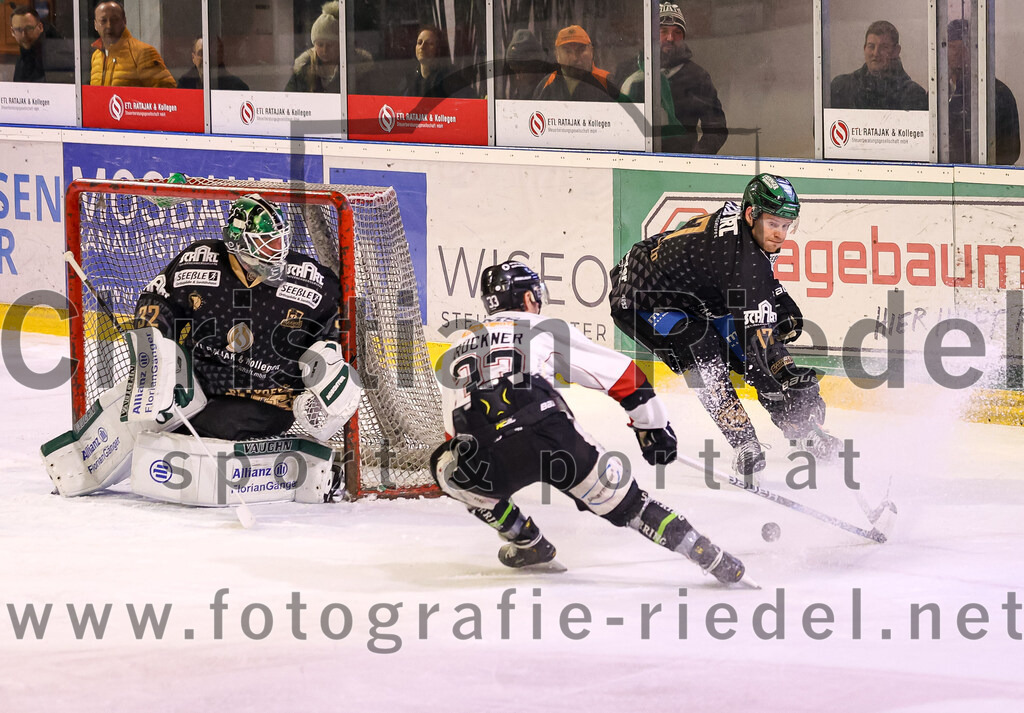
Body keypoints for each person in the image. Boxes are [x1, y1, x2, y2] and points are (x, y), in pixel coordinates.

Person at [431, 261, 746, 585]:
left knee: (446, 468)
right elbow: (625, 376)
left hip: (485, 458)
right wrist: (652, 428)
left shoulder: (454, 349)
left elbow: (452, 434)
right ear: (527, 299)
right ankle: (706, 552)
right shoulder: (540, 326)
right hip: (551, 439)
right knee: (632, 508)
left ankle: (527, 542)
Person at [42, 191, 361, 504]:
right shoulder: (199, 261)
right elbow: (157, 300)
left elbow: (331, 336)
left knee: (193, 434)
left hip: (265, 400)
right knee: (138, 409)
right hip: (196, 383)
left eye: (279, 241)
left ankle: (288, 467)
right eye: (265, 243)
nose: (276, 252)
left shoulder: (312, 282)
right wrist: (153, 350)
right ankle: (75, 470)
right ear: (237, 243)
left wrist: (329, 375)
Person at [609, 174, 840, 479]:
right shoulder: (739, 257)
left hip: (697, 293)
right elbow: (759, 354)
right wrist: (789, 379)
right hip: (643, 297)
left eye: (786, 225)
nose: (780, 234)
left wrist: (777, 295)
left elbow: (754, 284)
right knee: (702, 350)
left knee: (748, 350)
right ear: (750, 215)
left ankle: (802, 431)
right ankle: (744, 441)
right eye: (774, 224)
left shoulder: (751, 235)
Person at [947, 19, 1020, 165]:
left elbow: (1011, 151)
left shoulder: (999, 94)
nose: (957, 54)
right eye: (952, 47)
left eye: (963, 47)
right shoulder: (939, 94)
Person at [658, 3, 728, 154]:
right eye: (663, 31)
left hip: (681, 167)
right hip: (638, 165)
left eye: (677, 32)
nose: (670, 38)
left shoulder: (697, 77)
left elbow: (716, 127)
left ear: (683, 37)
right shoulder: (632, 70)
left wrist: (695, 158)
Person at [830, 20, 927, 111]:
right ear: (864, 49)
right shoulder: (841, 88)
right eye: (871, 46)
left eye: (884, 47)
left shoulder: (913, 95)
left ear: (896, 51)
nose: (876, 53)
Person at [89, 1, 176, 88]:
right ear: (95, 25)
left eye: (115, 20)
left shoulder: (142, 52)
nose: (109, 25)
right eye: (103, 21)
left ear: (124, 21)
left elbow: (167, 93)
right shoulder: (96, 56)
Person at [533, 24, 625, 102]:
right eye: (568, 51)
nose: (574, 58)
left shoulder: (607, 81)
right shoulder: (546, 85)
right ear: (557, 55)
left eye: (581, 50)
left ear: (591, 52)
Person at [286, 1, 340, 93]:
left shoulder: (353, 69)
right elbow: (288, 97)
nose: (324, 50)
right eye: (320, 45)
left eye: (330, 45)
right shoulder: (302, 70)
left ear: (339, 45)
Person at [10, 6, 72, 83]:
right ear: (12, 32)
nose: (24, 35)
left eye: (29, 28)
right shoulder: (24, 56)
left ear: (40, 27)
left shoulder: (56, 55)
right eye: (18, 30)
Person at [398, 25, 457, 98]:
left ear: (438, 49)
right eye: (419, 42)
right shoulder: (409, 81)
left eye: (429, 43)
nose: (422, 47)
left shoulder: (450, 79)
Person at [176, 37, 249, 91]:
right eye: (201, 53)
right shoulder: (184, 85)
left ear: (220, 56)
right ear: (193, 58)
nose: (206, 58)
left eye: (211, 53)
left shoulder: (236, 87)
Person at [503, 28, 549, 101]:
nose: (517, 77)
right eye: (514, 72)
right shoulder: (518, 98)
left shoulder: (551, 95)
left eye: (521, 71)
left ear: (536, 68)